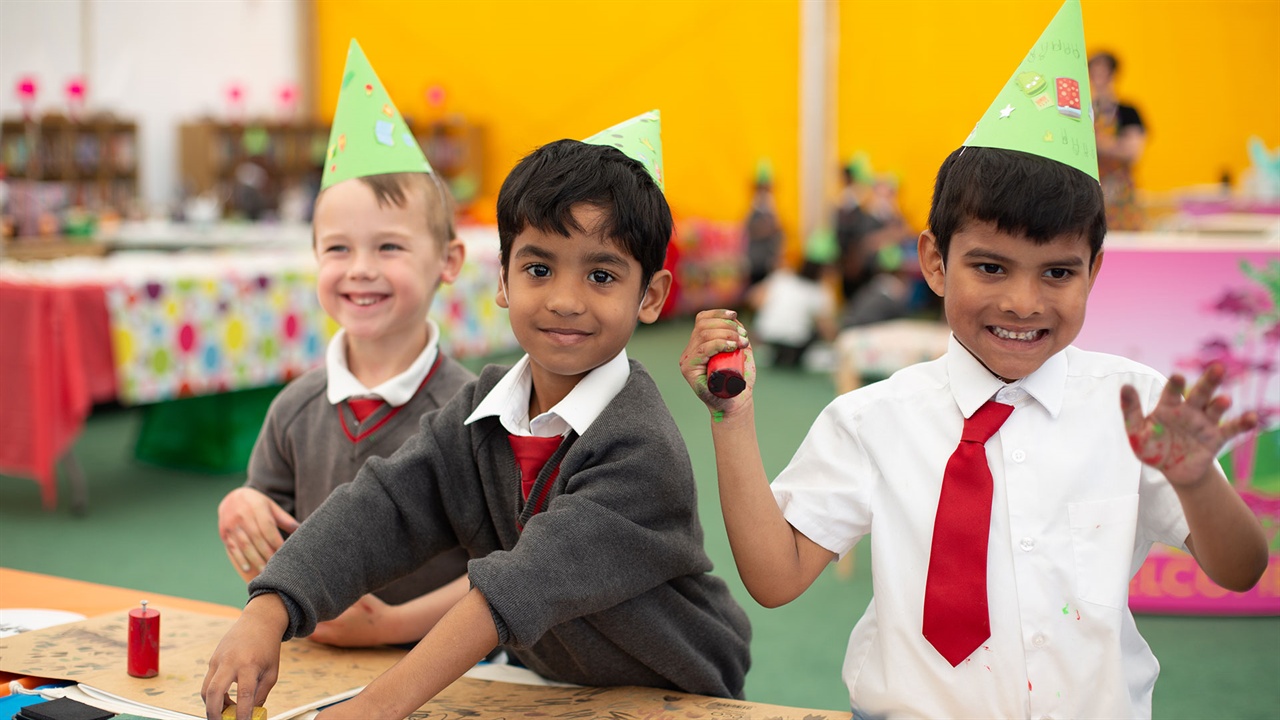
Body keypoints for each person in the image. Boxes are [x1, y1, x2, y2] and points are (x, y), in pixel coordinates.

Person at [678, 4, 1266, 716]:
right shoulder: (872, 419)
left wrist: (1199, 481)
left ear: (1095, 271)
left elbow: (1240, 571)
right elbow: (775, 577)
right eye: (990, 267)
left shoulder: (1136, 411)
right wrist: (732, 418)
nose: (1023, 301)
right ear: (934, 259)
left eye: (1057, 273)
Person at [203, 129, 752, 720]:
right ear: (501, 280)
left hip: (679, 694)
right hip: (560, 687)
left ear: (651, 295)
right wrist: (271, 607)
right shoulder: (481, 408)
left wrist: (374, 708)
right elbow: (385, 505)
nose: (564, 300)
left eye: (601, 275)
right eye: (539, 268)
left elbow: (514, 591)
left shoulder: (639, 449)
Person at [215, 41, 473, 650]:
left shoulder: (474, 411)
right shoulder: (295, 407)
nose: (360, 269)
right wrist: (242, 506)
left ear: (449, 261)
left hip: (448, 665)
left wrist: (389, 626)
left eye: (389, 247)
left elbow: (508, 570)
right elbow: (271, 536)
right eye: (337, 248)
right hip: (312, 661)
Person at [1089, 50, 1147, 230]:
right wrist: (1115, 144)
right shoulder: (1086, 111)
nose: (1099, 78)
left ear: (1113, 74)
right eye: (1094, 72)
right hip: (1093, 194)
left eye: (1103, 72)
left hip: (1122, 196)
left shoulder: (1128, 111)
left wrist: (1096, 142)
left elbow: (1132, 152)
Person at [748, 257, 838, 369]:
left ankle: (767, 352)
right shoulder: (819, 291)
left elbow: (753, 299)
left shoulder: (780, 278)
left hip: (764, 336)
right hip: (794, 343)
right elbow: (826, 328)